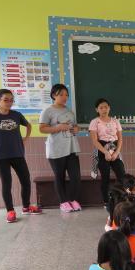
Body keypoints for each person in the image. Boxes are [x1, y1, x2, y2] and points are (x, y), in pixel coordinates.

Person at [0, 89, 42, 223]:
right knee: (6, 183)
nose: (9, 102)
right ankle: (10, 211)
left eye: (11, 100)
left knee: (26, 181)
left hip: (17, 153)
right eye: (5, 100)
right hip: (1, 156)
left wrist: (25, 139)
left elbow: (28, 126)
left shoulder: (16, 115)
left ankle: (26, 207)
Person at [39, 84, 82, 213]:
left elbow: (75, 126)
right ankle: (63, 202)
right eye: (61, 94)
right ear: (54, 95)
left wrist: (76, 129)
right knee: (59, 176)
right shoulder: (47, 111)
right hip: (56, 149)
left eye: (66, 95)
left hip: (71, 148)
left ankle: (73, 200)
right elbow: (42, 129)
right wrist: (58, 128)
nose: (65, 97)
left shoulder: (69, 111)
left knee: (75, 176)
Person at [88, 98, 126, 210]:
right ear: (97, 109)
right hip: (101, 149)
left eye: (106, 107)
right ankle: (106, 201)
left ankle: (121, 198)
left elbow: (120, 139)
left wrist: (116, 153)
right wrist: (105, 152)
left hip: (115, 148)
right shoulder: (94, 122)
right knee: (105, 177)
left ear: (109, 108)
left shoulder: (115, 121)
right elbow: (95, 141)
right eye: (101, 108)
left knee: (121, 174)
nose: (104, 109)